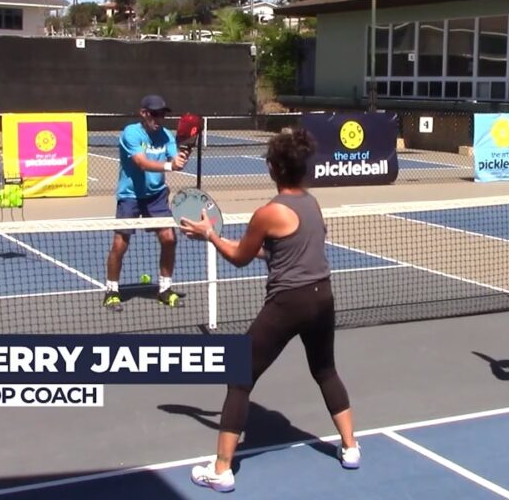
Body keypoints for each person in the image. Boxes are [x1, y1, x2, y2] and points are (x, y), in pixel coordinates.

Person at [179, 128, 359, 493]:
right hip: (322, 297)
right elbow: (286, 249)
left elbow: (241, 258)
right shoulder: (312, 203)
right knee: (325, 370)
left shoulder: (268, 213)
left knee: (239, 376)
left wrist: (210, 235)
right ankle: (351, 448)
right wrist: (228, 239)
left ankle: (222, 469)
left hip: (289, 302)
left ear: (274, 168)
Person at [103, 94, 190, 312]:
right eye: (154, 114)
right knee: (119, 244)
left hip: (156, 195)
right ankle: (112, 292)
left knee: (169, 238)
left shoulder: (166, 135)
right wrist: (170, 167)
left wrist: (179, 160)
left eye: (162, 114)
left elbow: (173, 159)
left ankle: (164, 289)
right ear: (144, 113)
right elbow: (141, 163)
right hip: (130, 195)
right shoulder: (131, 133)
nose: (158, 118)